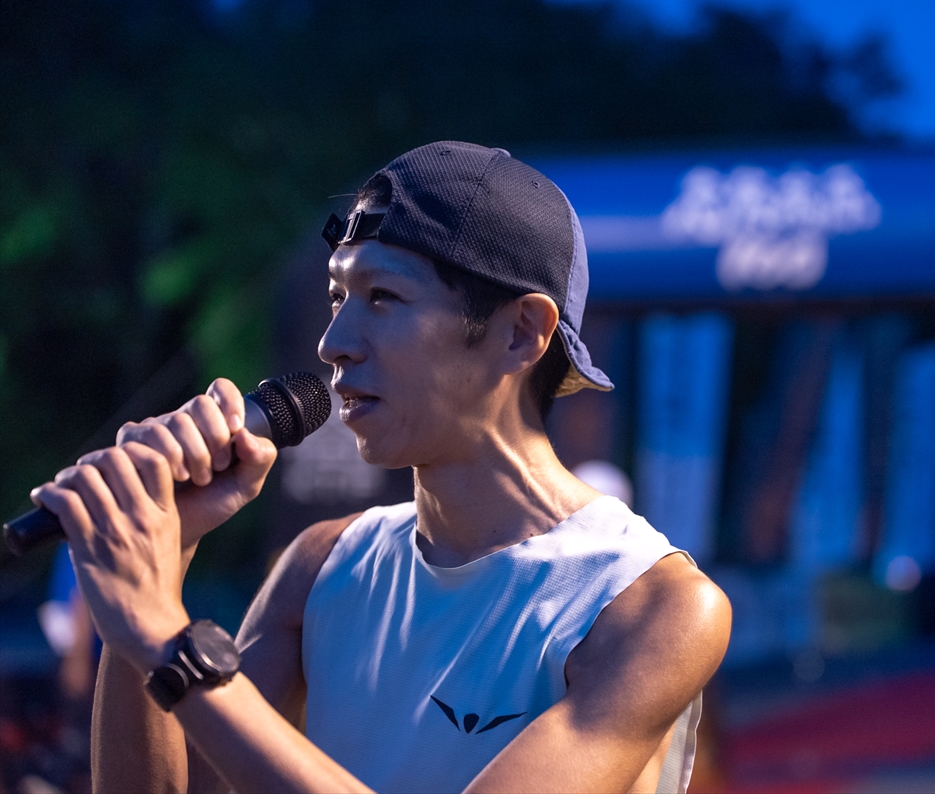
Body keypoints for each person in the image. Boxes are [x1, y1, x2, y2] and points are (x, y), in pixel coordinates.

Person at [31, 141, 732, 793]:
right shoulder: (321, 566)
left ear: (521, 332)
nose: (333, 342)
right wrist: (164, 559)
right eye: (337, 297)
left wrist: (168, 639)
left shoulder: (651, 604)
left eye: (382, 298)